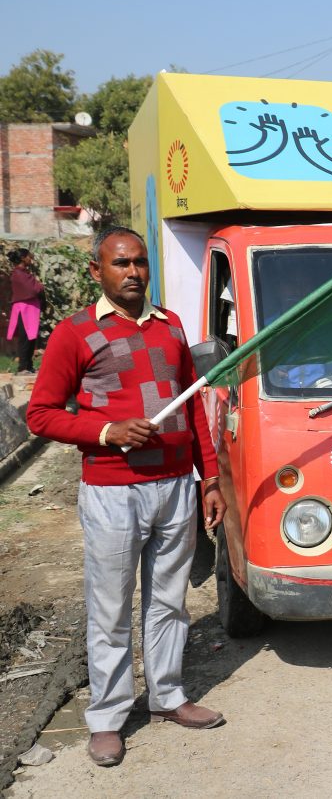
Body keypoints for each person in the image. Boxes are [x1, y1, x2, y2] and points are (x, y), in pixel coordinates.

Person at [26, 227, 227, 768]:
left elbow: (192, 409)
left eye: (140, 262)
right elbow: (40, 414)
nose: (133, 272)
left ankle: (167, 696)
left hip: (175, 492)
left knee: (169, 602)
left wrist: (208, 479)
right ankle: (108, 718)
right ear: (97, 271)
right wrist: (107, 432)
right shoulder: (75, 333)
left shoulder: (171, 326)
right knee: (111, 609)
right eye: (121, 264)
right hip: (113, 492)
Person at [6, 248, 44, 374]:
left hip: (31, 308)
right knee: (25, 338)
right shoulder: (18, 274)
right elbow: (32, 290)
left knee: (31, 338)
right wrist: (39, 286)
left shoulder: (24, 273)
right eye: (28, 256)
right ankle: (22, 367)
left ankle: (29, 365)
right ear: (23, 258)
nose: (30, 258)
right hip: (24, 309)